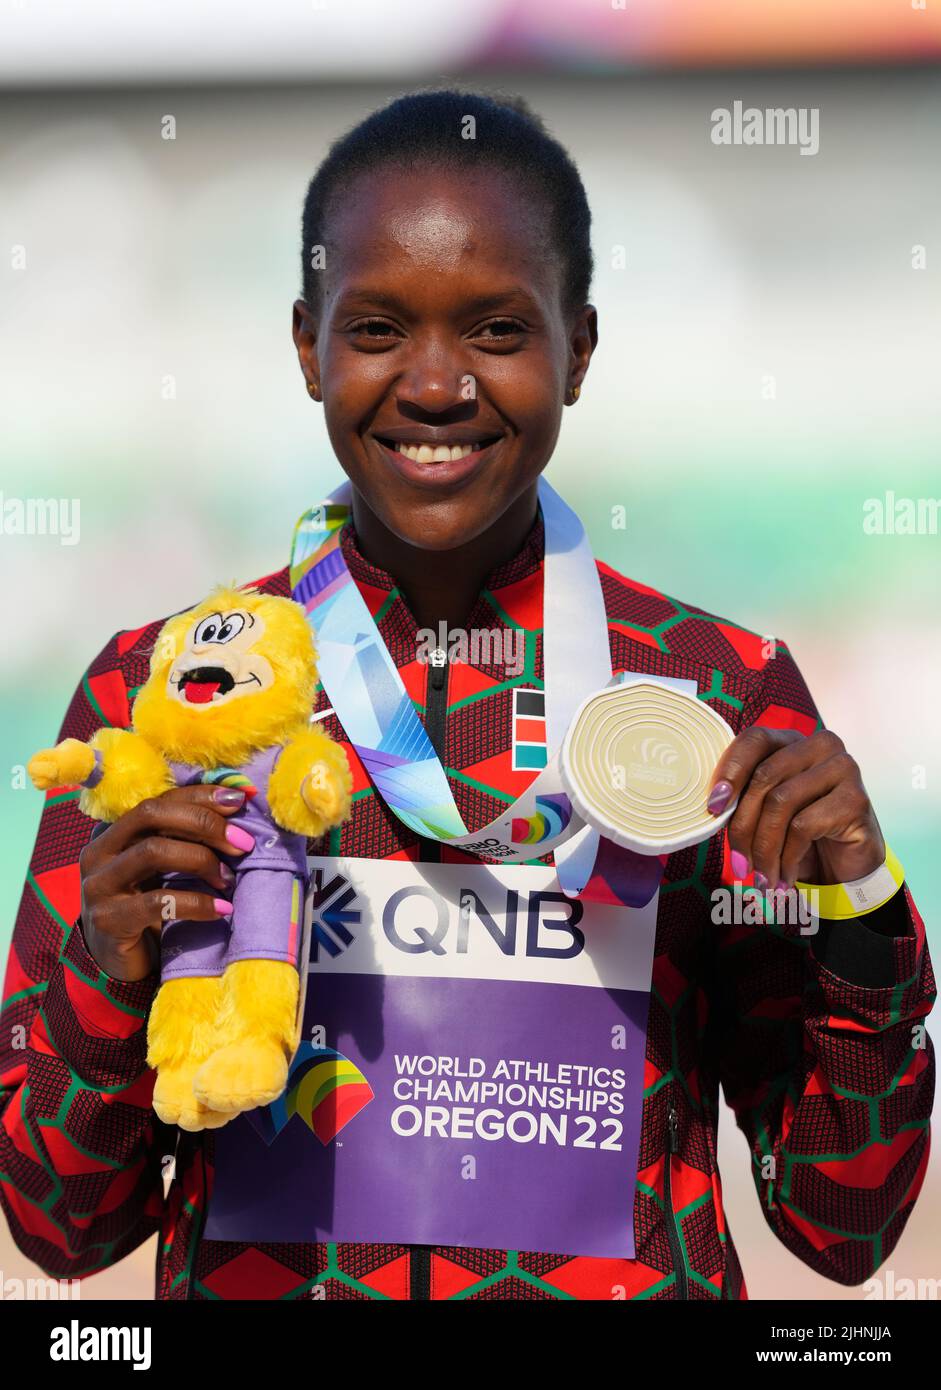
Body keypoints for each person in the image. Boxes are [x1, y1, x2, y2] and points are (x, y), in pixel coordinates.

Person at [1, 89, 933, 1301]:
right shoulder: (168, 693)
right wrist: (108, 971)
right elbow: (58, 1230)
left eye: (496, 332)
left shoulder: (706, 693)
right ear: (306, 345)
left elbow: (839, 1224)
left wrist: (859, 905)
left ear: (578, 348)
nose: (435, 387)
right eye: (378, 328)